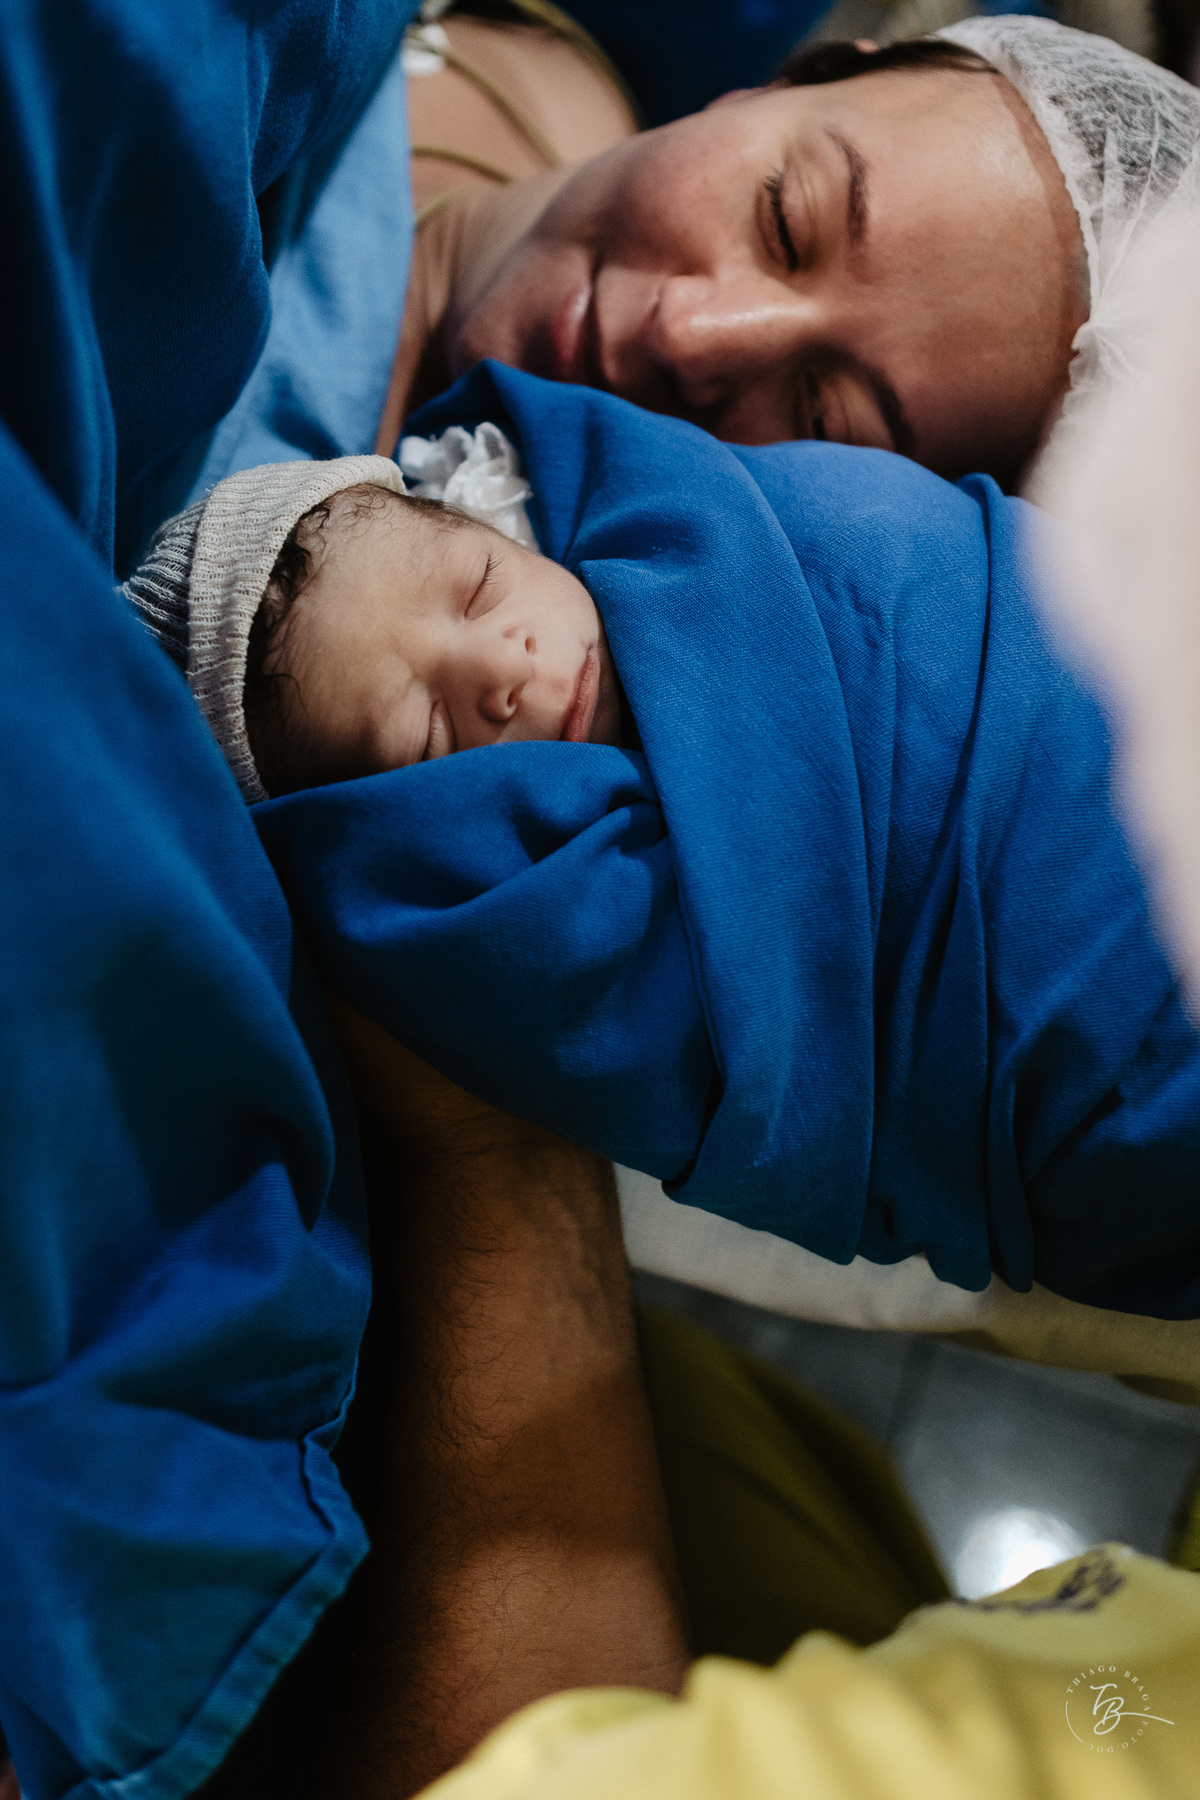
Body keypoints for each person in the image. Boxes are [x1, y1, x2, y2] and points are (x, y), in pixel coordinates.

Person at [129, 364, 1200, 1322]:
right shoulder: (536, 918)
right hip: (1096, 1035)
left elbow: (878, 550)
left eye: (479, 587)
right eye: (425, 731)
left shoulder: (661, 513)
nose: (500, 667)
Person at [376, 11, 1199, 493]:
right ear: (798, 77)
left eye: (822, 419)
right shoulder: (540, 61)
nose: (693, 334)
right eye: (783, 220)